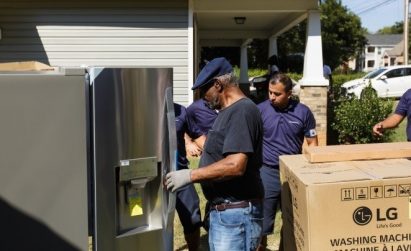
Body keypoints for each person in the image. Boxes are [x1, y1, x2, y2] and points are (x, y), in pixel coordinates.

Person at [166, 57, 264, 251]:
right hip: (225, 213)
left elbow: (235, 165)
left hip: (236, 215)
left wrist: (189, 175)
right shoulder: (226, 112)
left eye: (204, 91)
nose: (202, 97)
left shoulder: (242, 111)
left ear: (218, 84)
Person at [256, 73, 318, 251]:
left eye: (277, 94)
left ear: (289, 93)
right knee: (262, 222)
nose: (272, 97)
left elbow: (312, 142)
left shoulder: (303, 112)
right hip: (267, 172)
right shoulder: (260, 110)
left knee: (291, 219)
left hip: (292, 173)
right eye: (270, 92)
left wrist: (312, 169)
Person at [174, 103, 206, 251]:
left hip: (179, 171)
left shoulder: (180, 111)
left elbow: (197, 134)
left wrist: (217, 151)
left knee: (192, 216)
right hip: (152, 175)